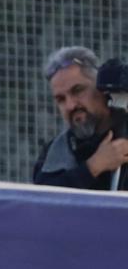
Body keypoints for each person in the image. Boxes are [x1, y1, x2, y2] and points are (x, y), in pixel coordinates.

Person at [31, 47, 128, 191]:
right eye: (61, 99)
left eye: (77, 90)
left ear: (102, 88)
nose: (70, 105)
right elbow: (43, 197)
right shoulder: (57, 152)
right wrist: (93, 167)